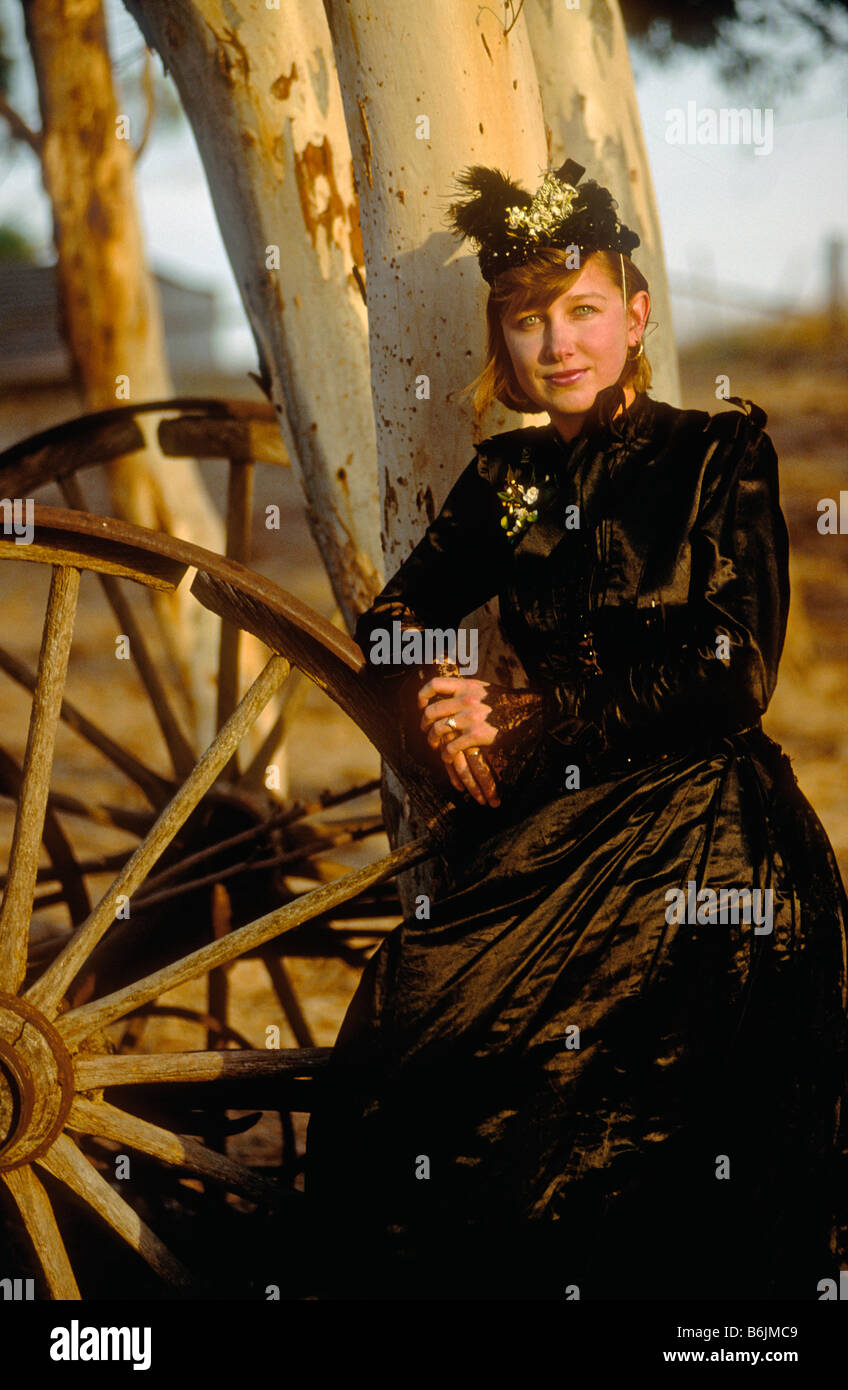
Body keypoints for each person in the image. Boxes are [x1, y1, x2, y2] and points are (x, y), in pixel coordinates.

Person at [304, 159, 847, 1300]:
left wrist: (541, 711)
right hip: (544, 819)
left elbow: (734, 668)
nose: (559, 341)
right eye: (527, 319)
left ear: (634, 314)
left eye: (583, 310)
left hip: (706, 826)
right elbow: (393, 616)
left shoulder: (715, 453)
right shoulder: (505, 480)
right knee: (420, 1028)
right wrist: (438, 691)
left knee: (643, 1100)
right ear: (501, 340)